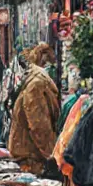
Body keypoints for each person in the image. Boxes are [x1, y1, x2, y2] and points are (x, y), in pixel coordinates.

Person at [9, 43, 60, 175]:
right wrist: (51, 156)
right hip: (30, 156)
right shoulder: (37, 84)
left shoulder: (34, 79)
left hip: (29, 153)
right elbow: (38, 124)